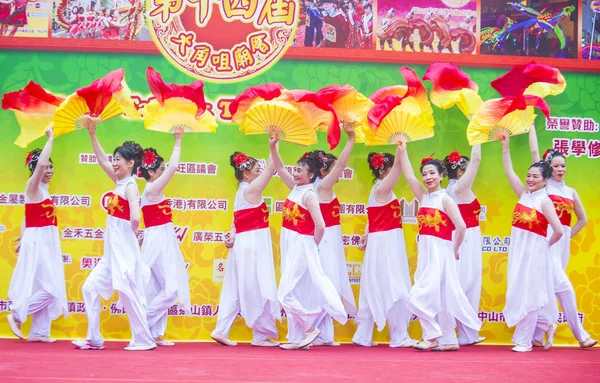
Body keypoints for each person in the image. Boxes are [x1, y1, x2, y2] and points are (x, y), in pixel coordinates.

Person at [72, 123, 156, 351]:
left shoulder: (130, 186)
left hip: (123, 251)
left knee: (130, 294)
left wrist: (133, 233)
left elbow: (136, 217)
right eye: (115, 158)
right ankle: (94, 338)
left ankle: (144, 340)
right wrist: (92, 133)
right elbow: (101, 159)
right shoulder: (119, 182)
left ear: (131, 164)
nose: (115, 162)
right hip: (111, 255)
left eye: (119, 159)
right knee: (89, 288)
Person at [399, 143, 481, 351]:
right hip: (426, 252)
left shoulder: (446, 199)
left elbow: (461, 226)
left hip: (441, 251)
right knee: (441, 296)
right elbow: (409, 177)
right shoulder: (424, 197)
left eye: (432, 173)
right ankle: (449, 340)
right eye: (425, 174)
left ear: (442, 174)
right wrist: (403, 150)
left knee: (418, 295)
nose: (428, 177)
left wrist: (454, 249)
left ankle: (432, 335)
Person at [270, 138, 347, 350]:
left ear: (311, 175)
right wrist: (272, 146)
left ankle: (310, 327)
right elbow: (277, 166)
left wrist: (310, 245)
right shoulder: (294, 188)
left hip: (302, 245)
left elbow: (320, 225)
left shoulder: (310, 194)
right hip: (291, 244)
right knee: (293, 291)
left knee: (284, 293)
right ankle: (298, 338)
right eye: (295, 169)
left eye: (300, 171)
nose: (295, 173)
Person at [528, 129, 597, 348]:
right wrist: (530, 124)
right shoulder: (544, 187)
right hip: (545, 243)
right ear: (548, 168)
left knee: (546, 286)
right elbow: (534, 150)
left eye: (563, 165)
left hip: (560, 246)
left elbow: (582, 220)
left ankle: (537, 334)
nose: (560, 169)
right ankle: (581, 335)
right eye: (556, 165)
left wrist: (566, 237)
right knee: (564, 288)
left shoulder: (571, 192)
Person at [211, 147, 281, 347]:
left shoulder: (242, 192)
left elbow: (235, 221)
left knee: (235, 288)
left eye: (259, 170)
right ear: (246, 173)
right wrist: (273, 145)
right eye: (256, 171)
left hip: (244, 242)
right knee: (257, 286)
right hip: (252, 244)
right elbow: (271, 169)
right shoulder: (250, 190)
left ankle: (221, 329)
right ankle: (261, 334)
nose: (260, 173)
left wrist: (232, 234)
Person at [500, 134, 562, 352]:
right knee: (517, 291)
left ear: (545, 180)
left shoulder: (545, 202)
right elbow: (509, 173)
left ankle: (524, 340)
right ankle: (546, 325)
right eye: (529, 176)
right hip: (518, 250)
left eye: (535, 176)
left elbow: (559, 230)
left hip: (536, 252)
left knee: (530, 293)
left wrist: (544, 245)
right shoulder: (523, 194)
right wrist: (505, 148)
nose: (530, 179)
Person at [7, 127, 68, 342]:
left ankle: (39, 331)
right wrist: (51, 137)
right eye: (46, 167)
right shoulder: (33, 186)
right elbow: (40, 165)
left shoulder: (43, 190)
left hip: (46, 239)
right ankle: (17, 315)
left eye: (52, 167)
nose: (49, 170)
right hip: (40, 240)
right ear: (36, 169)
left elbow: (27, 216)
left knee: (45, 285)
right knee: (52, 289)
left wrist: (23, 235)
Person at [352, 145, 415, 348]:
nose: (392, 173)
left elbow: (372, 217)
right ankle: (398, 336)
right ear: (381, 170)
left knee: (376, 285)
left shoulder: (378, 190)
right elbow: (398, 168)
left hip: (383, 241)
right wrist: (400, 149)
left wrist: (366, 235)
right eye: (388, 169)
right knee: (393, 285)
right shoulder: (381, 188)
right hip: (386, 243)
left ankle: (363, 335)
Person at [139, 128, 191, 347]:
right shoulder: (151, 189)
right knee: (170, 290)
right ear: (151, 173)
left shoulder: (155, 191)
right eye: (160, 169)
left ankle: (154, 333)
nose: (163, 171)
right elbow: (173, 169)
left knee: (161, 288)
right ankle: (142, 324)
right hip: (158, 240)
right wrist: (177, 142)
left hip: (164, 238)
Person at [311, 123, 357, 346]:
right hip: (325, 241)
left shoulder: (320, 188)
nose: (337, 174)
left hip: (330, 240)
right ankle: (314, 331)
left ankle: (324, 335)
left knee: (327, 283)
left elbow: (338, 168)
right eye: (333, 170)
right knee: (326, 283)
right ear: (323, 171)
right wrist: (350, 140)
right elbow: (342, 166)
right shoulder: (322, 187)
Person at [442, 145, 485, 346]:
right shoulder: (460, 188)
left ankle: (466, 333)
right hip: (466, 237)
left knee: (463, 282)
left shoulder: (450, 189)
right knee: (466, 283)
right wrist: (477, 135)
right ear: (460, 171)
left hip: (466, 236)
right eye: (465, 169)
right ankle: (458, 332)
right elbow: (476, 160)